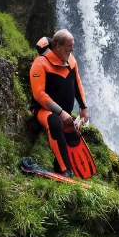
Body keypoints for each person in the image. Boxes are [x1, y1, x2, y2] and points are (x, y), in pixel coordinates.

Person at [29, 29, 90, 177]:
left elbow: (77, 84)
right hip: (43, 110)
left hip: (65, 113)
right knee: (55, 122)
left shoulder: (71, 60)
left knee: (72, 133)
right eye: (69, 46)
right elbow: (39, 95)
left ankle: (66, 168)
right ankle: (65, 171)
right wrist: (61, 112)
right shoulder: (40, 63)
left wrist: (83, 108)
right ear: (58, 46)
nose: (72, 50)